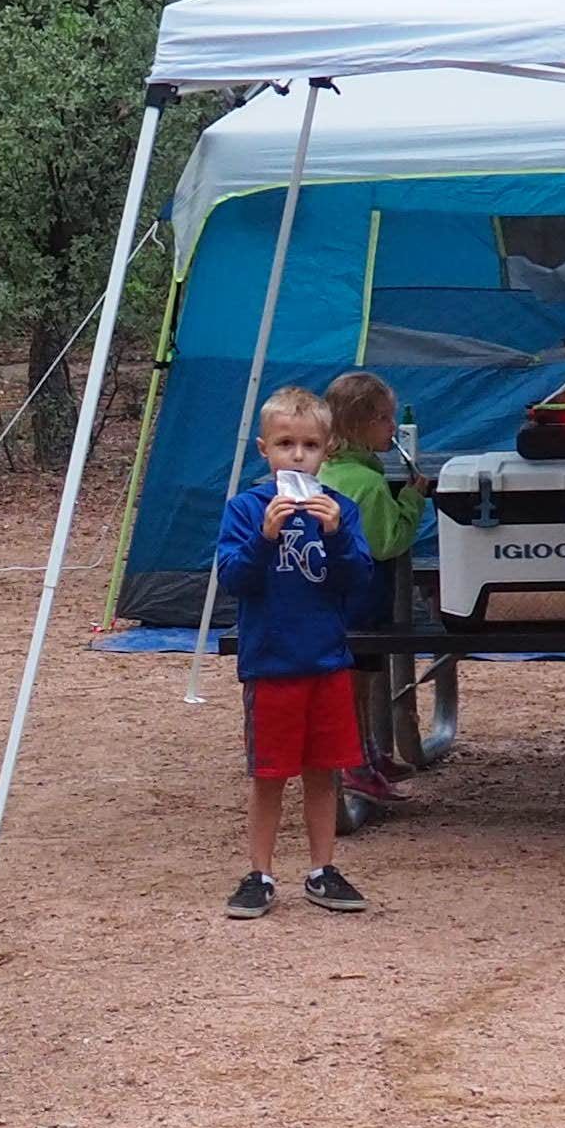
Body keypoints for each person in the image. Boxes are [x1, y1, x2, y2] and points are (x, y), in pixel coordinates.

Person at [213, 386, 375, 919]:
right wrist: (264, 536)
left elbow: (358, 582)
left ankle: (321, 870)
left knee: (323, 771)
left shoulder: (341, 510)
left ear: (327, 450)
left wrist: (334, 536)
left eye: (309, 445)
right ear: (265, 449)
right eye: (286, 444)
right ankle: (259, 873)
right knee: (269, 774)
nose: (298, 455)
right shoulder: (245, 509)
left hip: (326, 660)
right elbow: (234, 579)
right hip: (272, 662)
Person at [318, 369, 419, 811]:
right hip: (361, 598)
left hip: (332, 597)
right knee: (354, 686)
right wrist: (412, 502)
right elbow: (387, 543)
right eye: (382, 419)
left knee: (354, 684)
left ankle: (367, 753)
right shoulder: (369, 484)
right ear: (355, 427)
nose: (391, 428)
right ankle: (355, 764)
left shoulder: (329, 471)